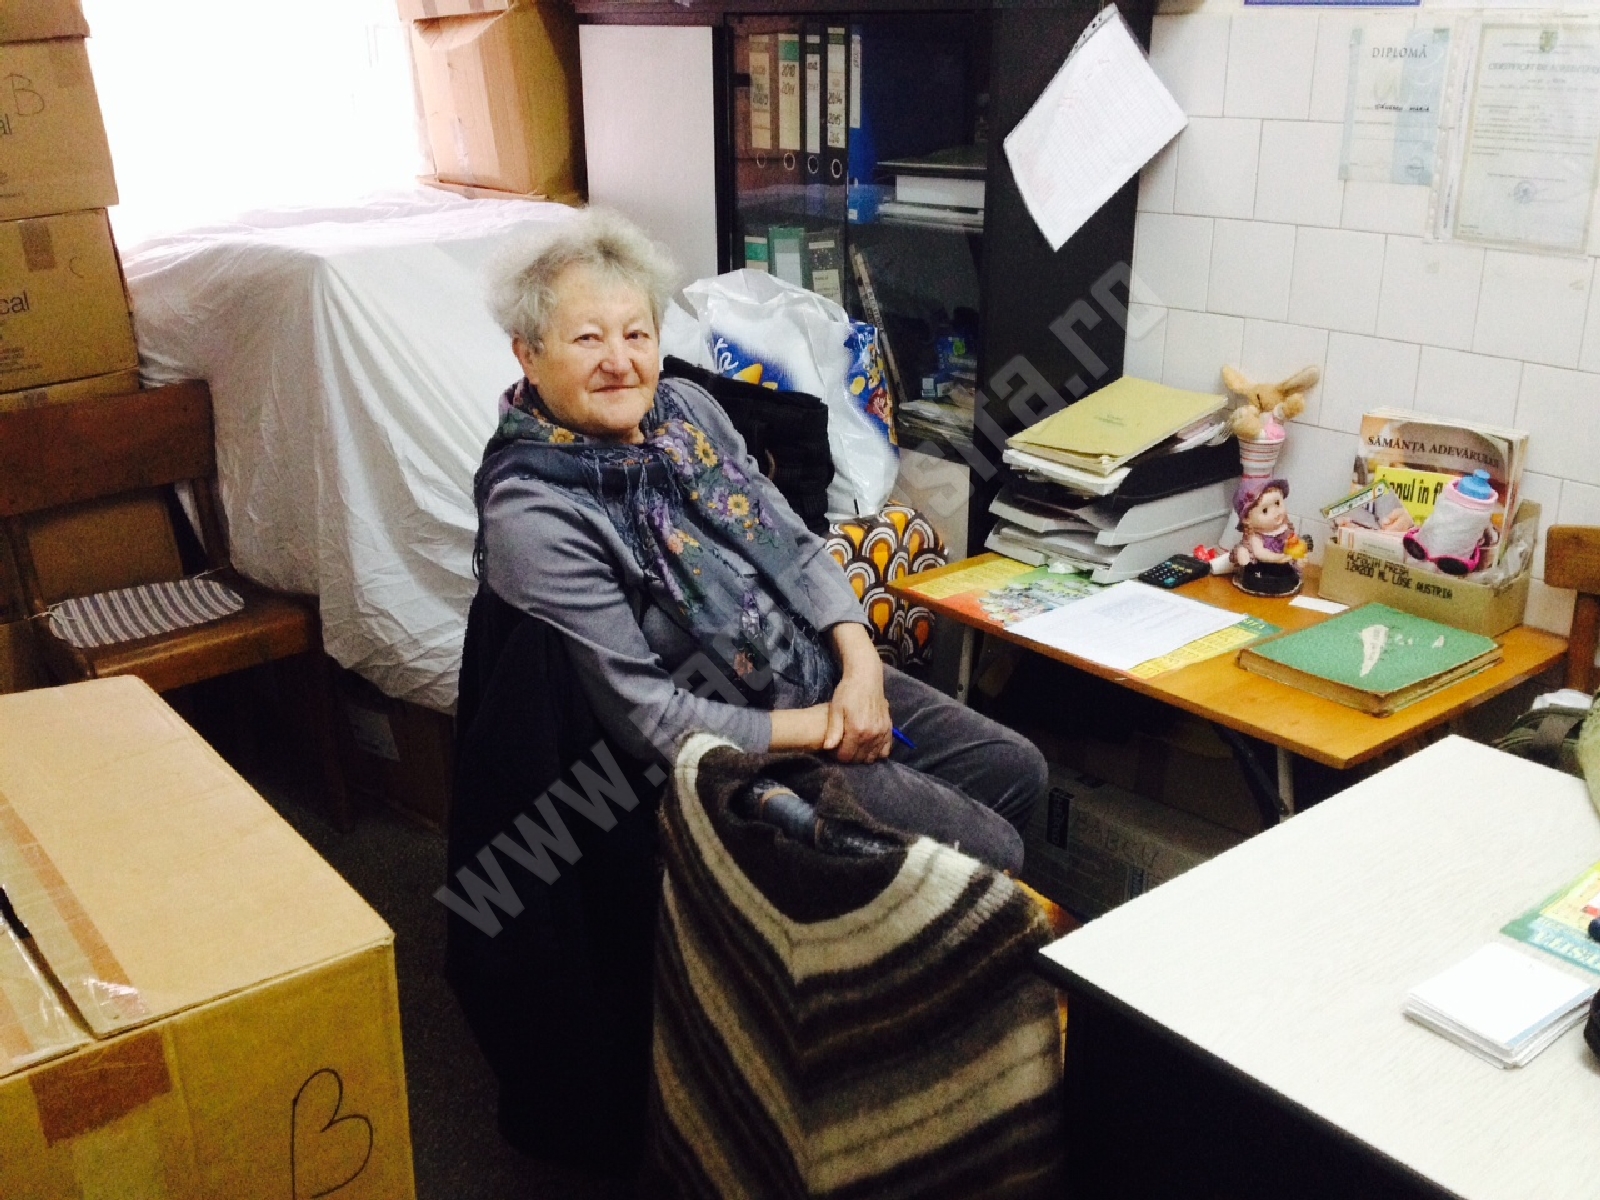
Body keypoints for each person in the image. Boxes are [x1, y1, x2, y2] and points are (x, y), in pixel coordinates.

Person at [471, 209, 1045, 872]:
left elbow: (793, 543)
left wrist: (860, 670)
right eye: (587, 339)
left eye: (636, 334)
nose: (619, 362)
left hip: (807, 670)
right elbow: (650, 719)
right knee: (988, 850)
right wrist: (827, 727)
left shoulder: (686, 411)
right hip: (724, 743)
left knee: (1016, 769)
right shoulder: (536, 508)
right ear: (528, 353)